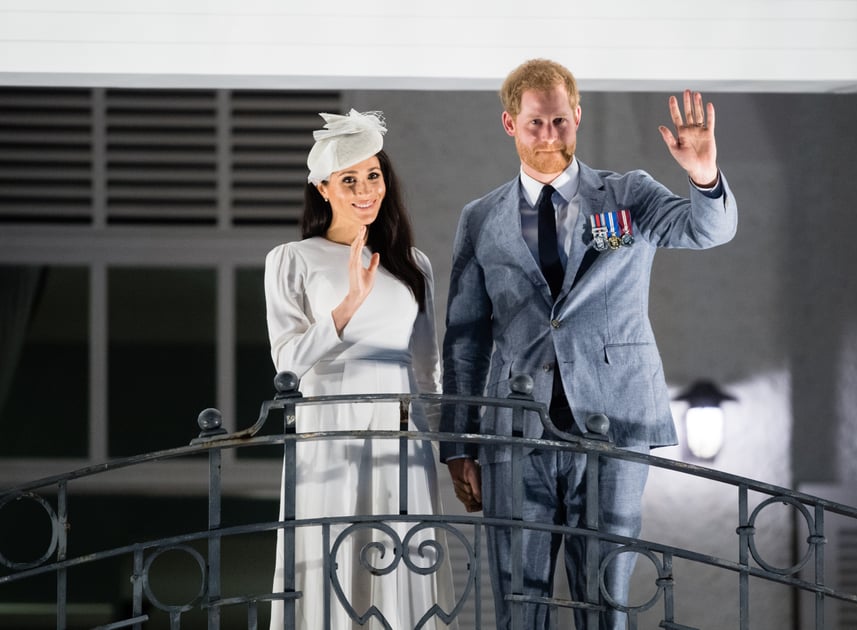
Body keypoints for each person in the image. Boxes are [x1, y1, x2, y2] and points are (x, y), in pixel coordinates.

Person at [440, 59, 738, 629]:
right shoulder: (480, 219)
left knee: (607, 603)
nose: (549, 135)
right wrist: (459, 444)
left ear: (578, 116)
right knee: (518, 605)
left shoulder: (630, 195)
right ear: (509, 124)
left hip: (614, 423)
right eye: (534, 124)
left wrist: (705, 176)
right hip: (513, 431)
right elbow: (464, 340)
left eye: (560, 121)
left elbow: (708, 230)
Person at [265, 110, 456, 630]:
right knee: (333, 554)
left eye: (373, 176)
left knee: (403, 554)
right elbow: (288, 363)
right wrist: (348, 305)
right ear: (324, 188)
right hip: (329, 433)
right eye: (349, 179)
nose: (365, 189)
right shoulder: (291, 259)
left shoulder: (411, 263)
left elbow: (426, 370)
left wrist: (449, 455)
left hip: (401, 435)